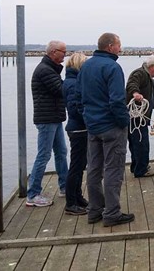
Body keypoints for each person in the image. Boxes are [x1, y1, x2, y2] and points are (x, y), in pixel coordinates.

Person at [76, 33, 135, 227]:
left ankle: (94, 211)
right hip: (111, 127)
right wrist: (124, 121)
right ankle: (112, 213)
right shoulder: (112, 67)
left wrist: (87, 118)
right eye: (119, 45)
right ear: (110, 47)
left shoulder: (86, 66)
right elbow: (117, 100)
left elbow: (78, 97)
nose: (120, 48)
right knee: (113, 169)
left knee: (94, 169)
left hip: (93, 126)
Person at [26, 41, 69, 207]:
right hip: (46, 119)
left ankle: (65, 187)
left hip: (54, 117)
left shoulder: (51, 68)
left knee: (61, 151)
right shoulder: (45, 70)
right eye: (63, 52)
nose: (65, 54)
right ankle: (33, 194)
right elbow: (61, 90)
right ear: (53, 52)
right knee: (44, 155)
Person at [126, 55, 154, 178]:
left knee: (136, 144)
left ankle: (136, 167)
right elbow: (132, 84)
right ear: (152, 67)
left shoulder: (147, 77)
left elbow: (148, 97)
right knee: (141, 144)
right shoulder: (140, 73)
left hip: (138, 119)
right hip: (137, 119)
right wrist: (135, 93)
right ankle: (141, 170)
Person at [62, 52, 89, 215]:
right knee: (76, 166)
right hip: (78, 128)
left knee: (80, 165)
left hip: (77, 127)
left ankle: (77, 197)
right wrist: (89, 118)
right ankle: (70, 202)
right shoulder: (73, 84)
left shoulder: (70, 81)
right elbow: (74, 108)